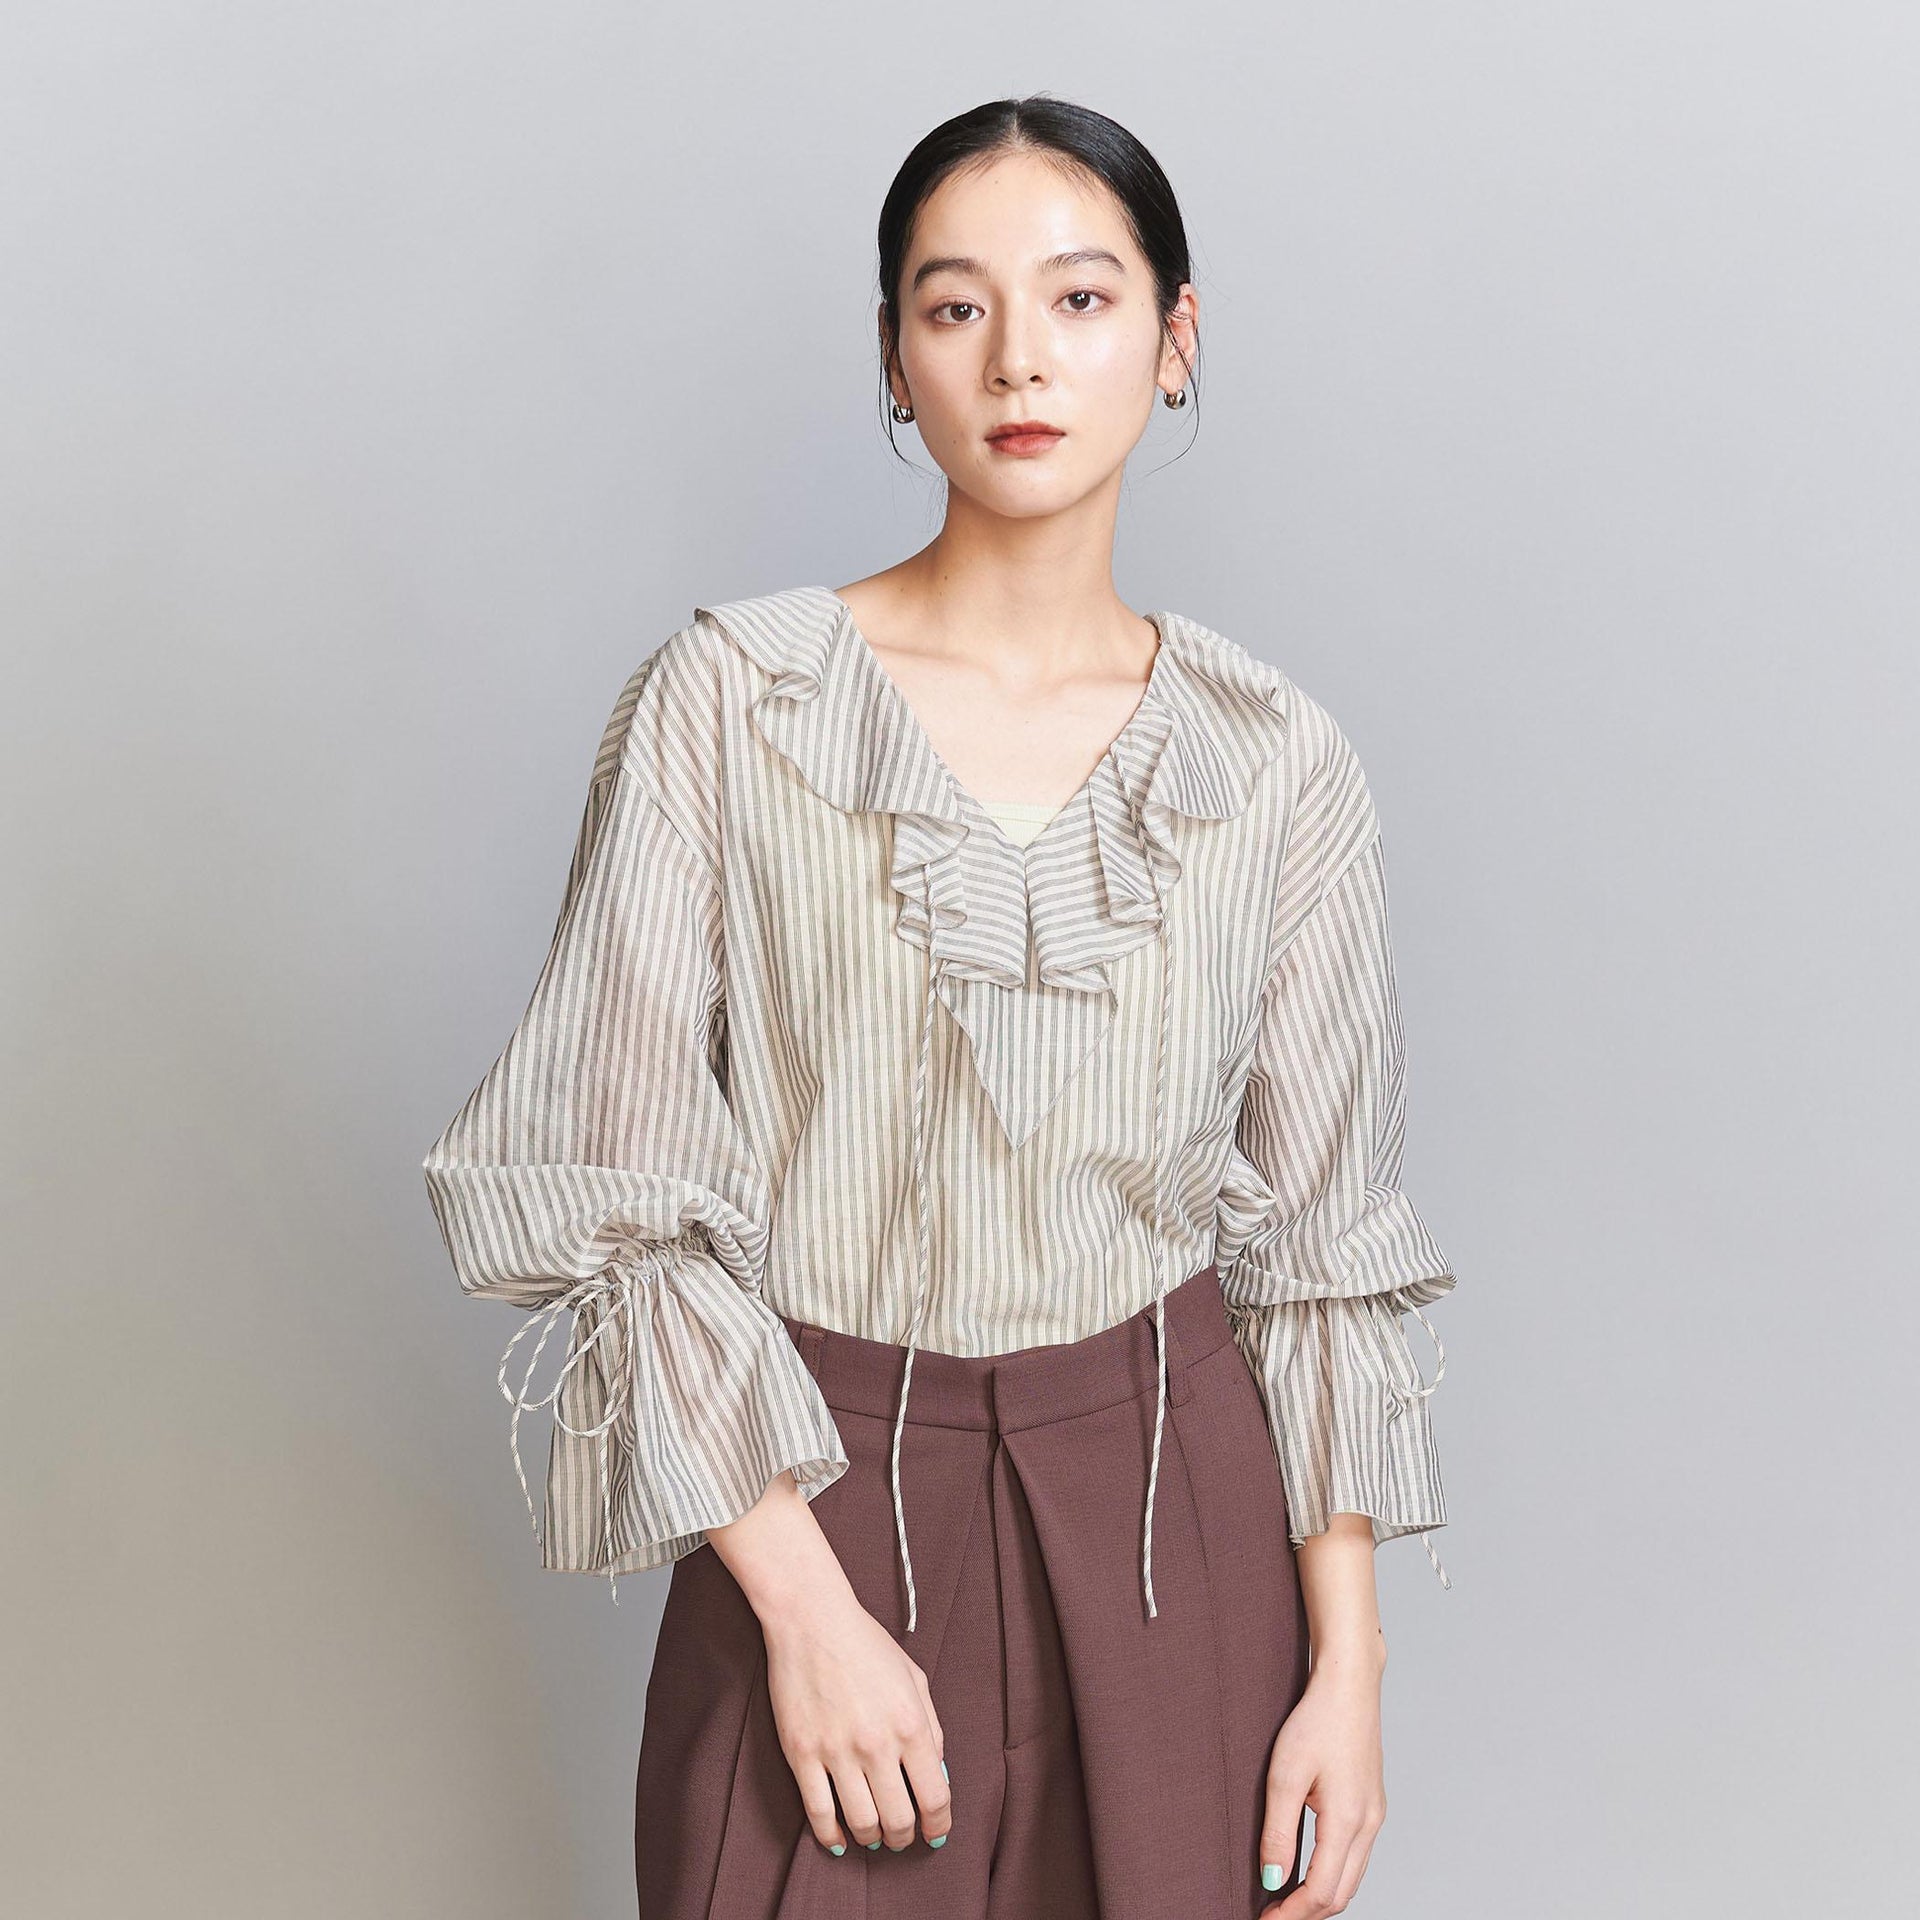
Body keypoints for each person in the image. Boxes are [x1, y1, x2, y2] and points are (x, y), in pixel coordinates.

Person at [421, 94, 1458, 1920]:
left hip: (1178, 1524)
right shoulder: (732, 704)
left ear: (1177, 337)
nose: (1018, 359)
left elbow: (1318, 1251)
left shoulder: (1275, 760)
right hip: (815, 1505)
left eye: (1081, 298)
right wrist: (805, 1613)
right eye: (956, 306)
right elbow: (610, 1183)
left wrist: (1349, 1671)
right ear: (895, 359)